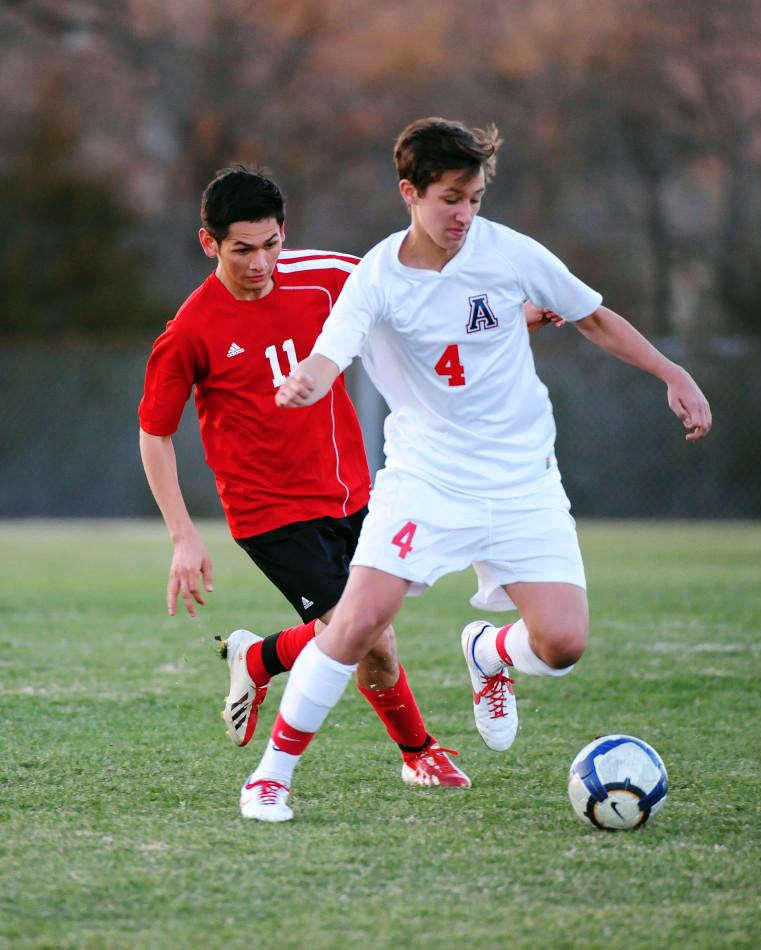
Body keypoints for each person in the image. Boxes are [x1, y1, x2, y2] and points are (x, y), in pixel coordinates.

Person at [260, 117, 713, 824]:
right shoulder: (377, 277)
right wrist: (309, 382)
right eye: (449, 198)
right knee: (355, 624)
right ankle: (271, 777)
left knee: (563, 644)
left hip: (522, 479)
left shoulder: (508, 253)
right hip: (427, 480)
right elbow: (329, 353)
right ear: (409, 192)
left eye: (473, 197)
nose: (464, 214)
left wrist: (669, 372)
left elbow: (590, 316)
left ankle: (488, 649)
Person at [138, 165, 473, 822]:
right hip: (270, 513)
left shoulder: (324, 276)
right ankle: (417, 752)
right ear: (209, 244)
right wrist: (182, 534)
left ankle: (259, 658)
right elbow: (154, 434)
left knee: (372, 637)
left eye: (271, 244)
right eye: (242, 249)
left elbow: (409, 288)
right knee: (365, 636)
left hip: (353, 494)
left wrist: (511, 313)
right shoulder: (189, 331)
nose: (261, 262)